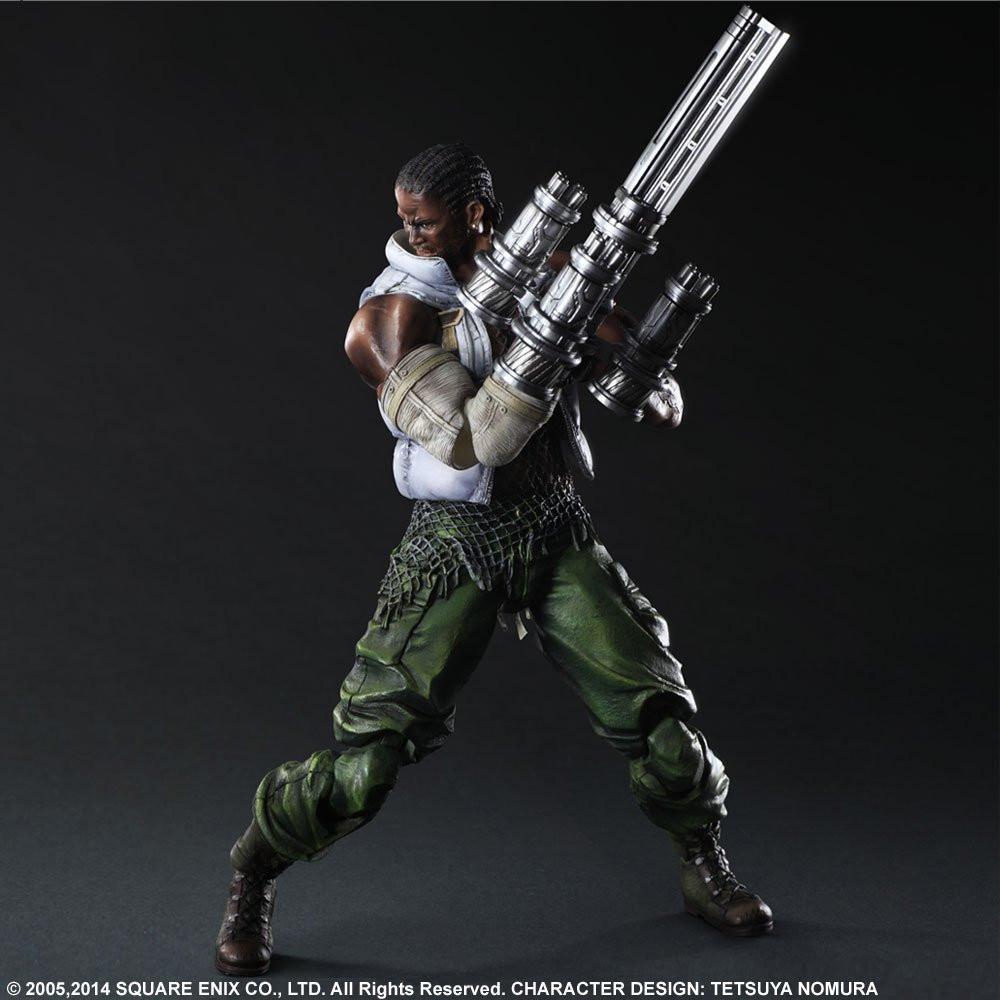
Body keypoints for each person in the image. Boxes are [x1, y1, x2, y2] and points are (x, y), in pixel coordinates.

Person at [214, 142, 773, 976]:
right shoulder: (390, 315)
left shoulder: (553, 272)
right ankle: (253, 872)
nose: (410, 232)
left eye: (425, 219)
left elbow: (654, 392)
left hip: (553, 526)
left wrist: (640, 359)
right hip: (457, 543)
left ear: (475, 213)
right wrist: (544, 342)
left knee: (664, 723)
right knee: (366, 765)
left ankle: (703, 862)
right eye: (405, 219)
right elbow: (474, 439)